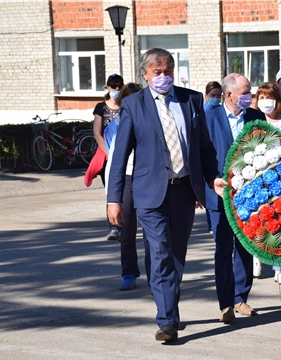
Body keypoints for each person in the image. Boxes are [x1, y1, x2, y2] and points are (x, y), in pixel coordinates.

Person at [107, 48, 225, 343]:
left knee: (176, 255)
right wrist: (114, 198)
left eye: (168, 71)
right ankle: (167, 320)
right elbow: (120, 155)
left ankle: (167, 302)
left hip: (184, 190)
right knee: (160, 253)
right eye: (157, 72)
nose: (163, 77)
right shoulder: (134, 104)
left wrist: (213, 178)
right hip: (149, 193)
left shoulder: (191, 99)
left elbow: (204, 148)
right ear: (145, 74)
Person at [204, 73, 266, 323]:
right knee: (223, 248)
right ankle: (225, 303)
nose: (250, 96)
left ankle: (241, 297)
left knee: (245, 247)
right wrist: (207, 183)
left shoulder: (256, 117)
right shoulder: (209, 118)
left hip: (249, 195)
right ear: (229, 95)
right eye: (245, 92)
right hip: (219, 194)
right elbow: (202, 155)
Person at [104, 82, 149, 291]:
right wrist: (111, 195)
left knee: (152, 233)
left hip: (148, 179)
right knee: (127, 230)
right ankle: (129, 273)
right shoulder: (115, 126)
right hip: (127, 179)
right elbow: (113, 159)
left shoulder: (151, 121)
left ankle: (155, 277)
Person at [253, 82, 281, 285]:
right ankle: (257, 256)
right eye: (261, 97)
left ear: (278, 99)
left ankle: (279, 269)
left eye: (268, 97)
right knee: (260, 218)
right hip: (258, 176)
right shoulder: (253, 119)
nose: (265, 102)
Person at [93, 73, 124, 241]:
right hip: (108, 157)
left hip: (128, 156)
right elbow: (97, 134)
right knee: (112, 191)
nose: (117, 89)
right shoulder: (101, 107)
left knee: (127, 192)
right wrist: (109, 153)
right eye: (113, 85)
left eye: (119, 85)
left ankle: (125, 224)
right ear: (108, 87)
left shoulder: (127, 104)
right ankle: (114, 227)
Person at [203, 81, 223, 233]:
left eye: (218, 95)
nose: (216, 99)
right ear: (206, 96)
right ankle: (211, 224)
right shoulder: (203, 114)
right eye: (212, 96)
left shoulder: (222, 113)